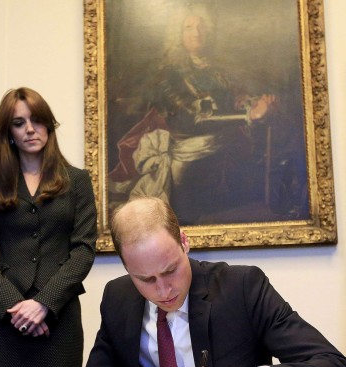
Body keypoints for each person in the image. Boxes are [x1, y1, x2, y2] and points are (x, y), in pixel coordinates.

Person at [77, 196, 346, 367]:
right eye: (145, 279)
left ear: (184, 243)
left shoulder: (243, 288)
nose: (163, 290)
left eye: (170, 270)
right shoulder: (118, 297)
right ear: (127, 268)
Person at [108, 5, 306, 225]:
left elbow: (235, 103)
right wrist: (249, 115)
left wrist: (258, 105)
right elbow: (191, 120)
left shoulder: (219, 72)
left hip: (225, 149)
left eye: (201, 27)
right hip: (191, 155)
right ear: (178, 34)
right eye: (189, 27)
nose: (197, 32)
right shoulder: (168, 75)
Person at [0, 87, 97, 367]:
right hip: (7, 324)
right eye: (18, 122)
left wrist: (43, 303)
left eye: (37, 120)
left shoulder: (77, 180)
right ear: (8, 133)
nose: (30, 129)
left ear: (49, 125)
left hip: (59, 319)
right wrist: (13, 307)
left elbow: (84, 249)